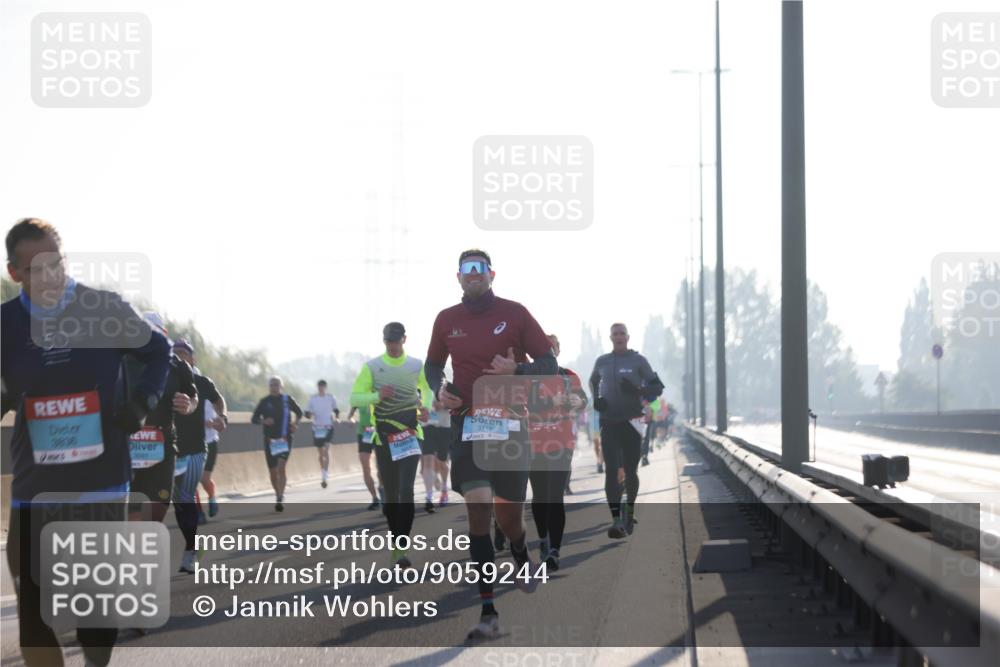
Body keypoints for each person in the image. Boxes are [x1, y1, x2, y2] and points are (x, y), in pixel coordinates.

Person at [2, 218, 171, 667]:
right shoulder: (5, 325)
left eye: (56, 263)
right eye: (37, 269)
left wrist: (140, 404)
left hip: (101, 482)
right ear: (15, 273)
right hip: (33, 486)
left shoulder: (103, 309)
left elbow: (158, 352)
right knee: (34, 616)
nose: (51, 276)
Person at [424, 249, 556, 641]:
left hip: (511, 427)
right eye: (467, 269)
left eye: (480, 268)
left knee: (509, 519)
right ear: (458, 277)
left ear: (492, 274)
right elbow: (433, 366)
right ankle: (488, 611)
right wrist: (439, 389)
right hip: (466, 425)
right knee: (478, 507)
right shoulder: (446, 320)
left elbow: (548, 365)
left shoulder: (515, 313)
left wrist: (518, 369)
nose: (473, 274)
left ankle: (518, 549)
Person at [350, 322, 432, 568]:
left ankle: (401, 548)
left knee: (406, 491)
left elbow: (427, 388)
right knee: (392, 498)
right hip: (384, 437)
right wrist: (376, 396)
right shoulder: (373, 367)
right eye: (388, 341)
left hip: (409, 434)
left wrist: (425, 405)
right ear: (383, 341)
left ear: (404, 340)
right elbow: (355, 397)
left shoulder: (416, 365)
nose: (393, 345)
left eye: (396, 341)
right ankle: (396, 542)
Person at [590, 323, 664, 539]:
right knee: (611, 469)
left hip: (633, 421)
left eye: (622, 333)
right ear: (610, 337)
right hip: (610, 422)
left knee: (631, 470)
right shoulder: (602, 361)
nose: (619, 337)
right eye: (615, 334)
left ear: (628, 337)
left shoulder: (639, 361)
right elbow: (593, 380)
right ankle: (615, 520)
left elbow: (657, 388)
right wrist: (597, 399)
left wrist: (638, 390)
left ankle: (629, 511)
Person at [127, 313, 199, 524]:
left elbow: (193, 396)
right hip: (130, 443)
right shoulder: (123, 361)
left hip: (163, 443)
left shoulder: (178, 367)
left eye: (153, 331)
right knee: (135, 508)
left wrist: (188, 405)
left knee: (159, 506)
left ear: (163, 334)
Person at [528, 334, 587, 571]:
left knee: (555, 496)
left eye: (553, 348)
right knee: (540, 496)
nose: (549, 352)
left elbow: (584, 400)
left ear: (558, 351)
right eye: (545, 348)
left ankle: (555, 550)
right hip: (534, 444)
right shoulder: (528, 377)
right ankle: (543, 539)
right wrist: (553, 402)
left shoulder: (569, 376)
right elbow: (524, 404)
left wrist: (577, 401)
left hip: (562, 444)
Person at [172, 339, 228, 571]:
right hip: (170, 450)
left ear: (193, 358)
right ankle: (192, 545)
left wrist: (221, 417)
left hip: (195, 449)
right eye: (174, 353)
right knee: (179, 503)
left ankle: (191, 552)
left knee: (185, 498)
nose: (178, 356)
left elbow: (218, 401)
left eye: (183, 353)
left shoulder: (202, 382)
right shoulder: (165, 379)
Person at [251, 376, 303, 512]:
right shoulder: (264, 402)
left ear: (281, 386)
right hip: (270, 440)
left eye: (277, 384)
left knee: (281, 467)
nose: (274, 387)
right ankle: (277, 494)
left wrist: (295, 424)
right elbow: (254, 419)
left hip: (285, 439)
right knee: (273, 472)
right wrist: (264, 421)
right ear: (269, 387)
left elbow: (299, 412)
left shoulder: (287, 400)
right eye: (272, 385)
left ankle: (280, 497)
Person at [305, 379, 340, 488]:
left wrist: (337, 418)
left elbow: (336, 410)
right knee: (320, 453)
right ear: (317, 387)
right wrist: (309, 415)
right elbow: (306, 413)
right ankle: (323, 471)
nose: (321, 388)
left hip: (328, 426)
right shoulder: (313, 398)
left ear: (325, 387)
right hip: (317, 428)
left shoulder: (330, 397)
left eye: (323, 386)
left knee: (326, 449)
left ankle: (325, 476)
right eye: (319, 386)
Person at [348, 404, 383, 510]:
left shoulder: (378, 391)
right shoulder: (359, 396)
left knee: (381, 468)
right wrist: (351, 420)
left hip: (379, 432)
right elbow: (350, 415)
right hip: (364, 432)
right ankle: (374, 498)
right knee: (365, 467)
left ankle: (382, 489)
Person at [200, 398, 224, 517]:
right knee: (190, 480)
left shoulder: (209, 393)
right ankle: (198, 512)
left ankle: (212, 498)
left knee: (204, 479)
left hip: (210, 442)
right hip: (192, 443)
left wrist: (219, 419)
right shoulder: (185, 392)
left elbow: (220, 401)